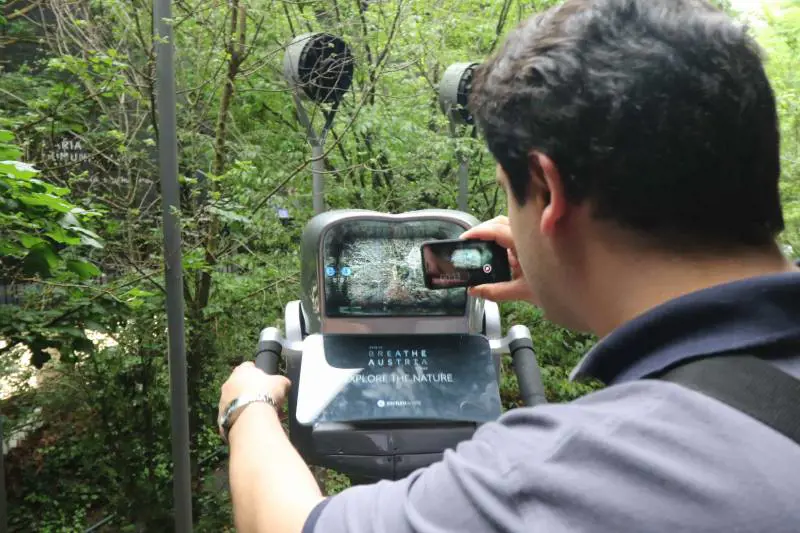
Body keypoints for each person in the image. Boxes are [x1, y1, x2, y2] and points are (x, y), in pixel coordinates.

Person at [218, 0, 800, 531]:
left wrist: (248, 408)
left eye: (509, 194)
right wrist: (572, 276)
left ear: (546, 192)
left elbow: (290, 522)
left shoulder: (565, 475)